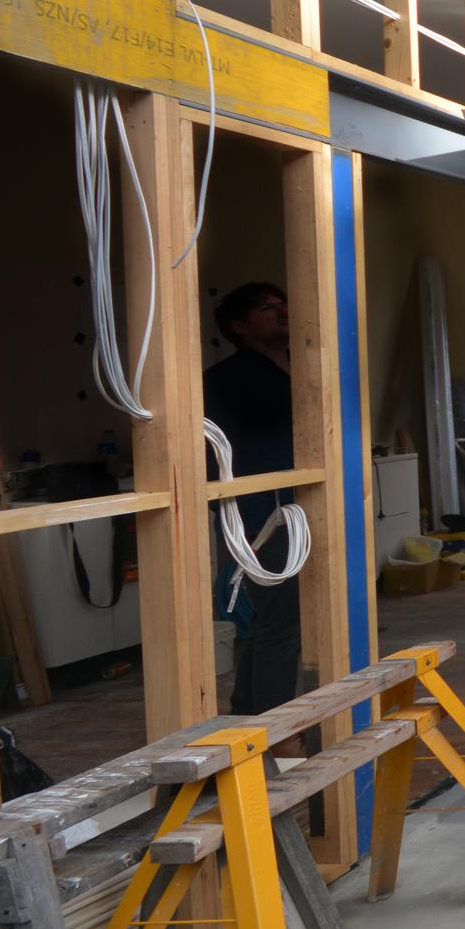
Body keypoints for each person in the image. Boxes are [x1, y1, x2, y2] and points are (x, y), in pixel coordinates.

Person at [205, 281, 300, 714]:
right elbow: (210, 458)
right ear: (240, 326)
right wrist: (232, 517)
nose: (281, 312)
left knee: (273, 618)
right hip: (260, 513)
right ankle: (278, 733)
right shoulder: (227, 381)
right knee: (282, 621)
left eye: (283, 305)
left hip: (297, 506)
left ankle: (248, 710)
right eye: (267, 308)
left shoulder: (299, 369)